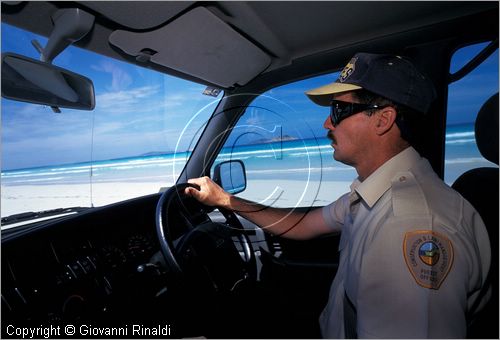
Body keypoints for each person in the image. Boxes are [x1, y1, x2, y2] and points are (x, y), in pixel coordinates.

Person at [184, 52, 491, 338]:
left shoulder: (408, 224)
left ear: (383, 120)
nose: (327, 123)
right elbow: (303, 226)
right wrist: (226, 200)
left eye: (339, 110)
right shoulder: (377, 192)